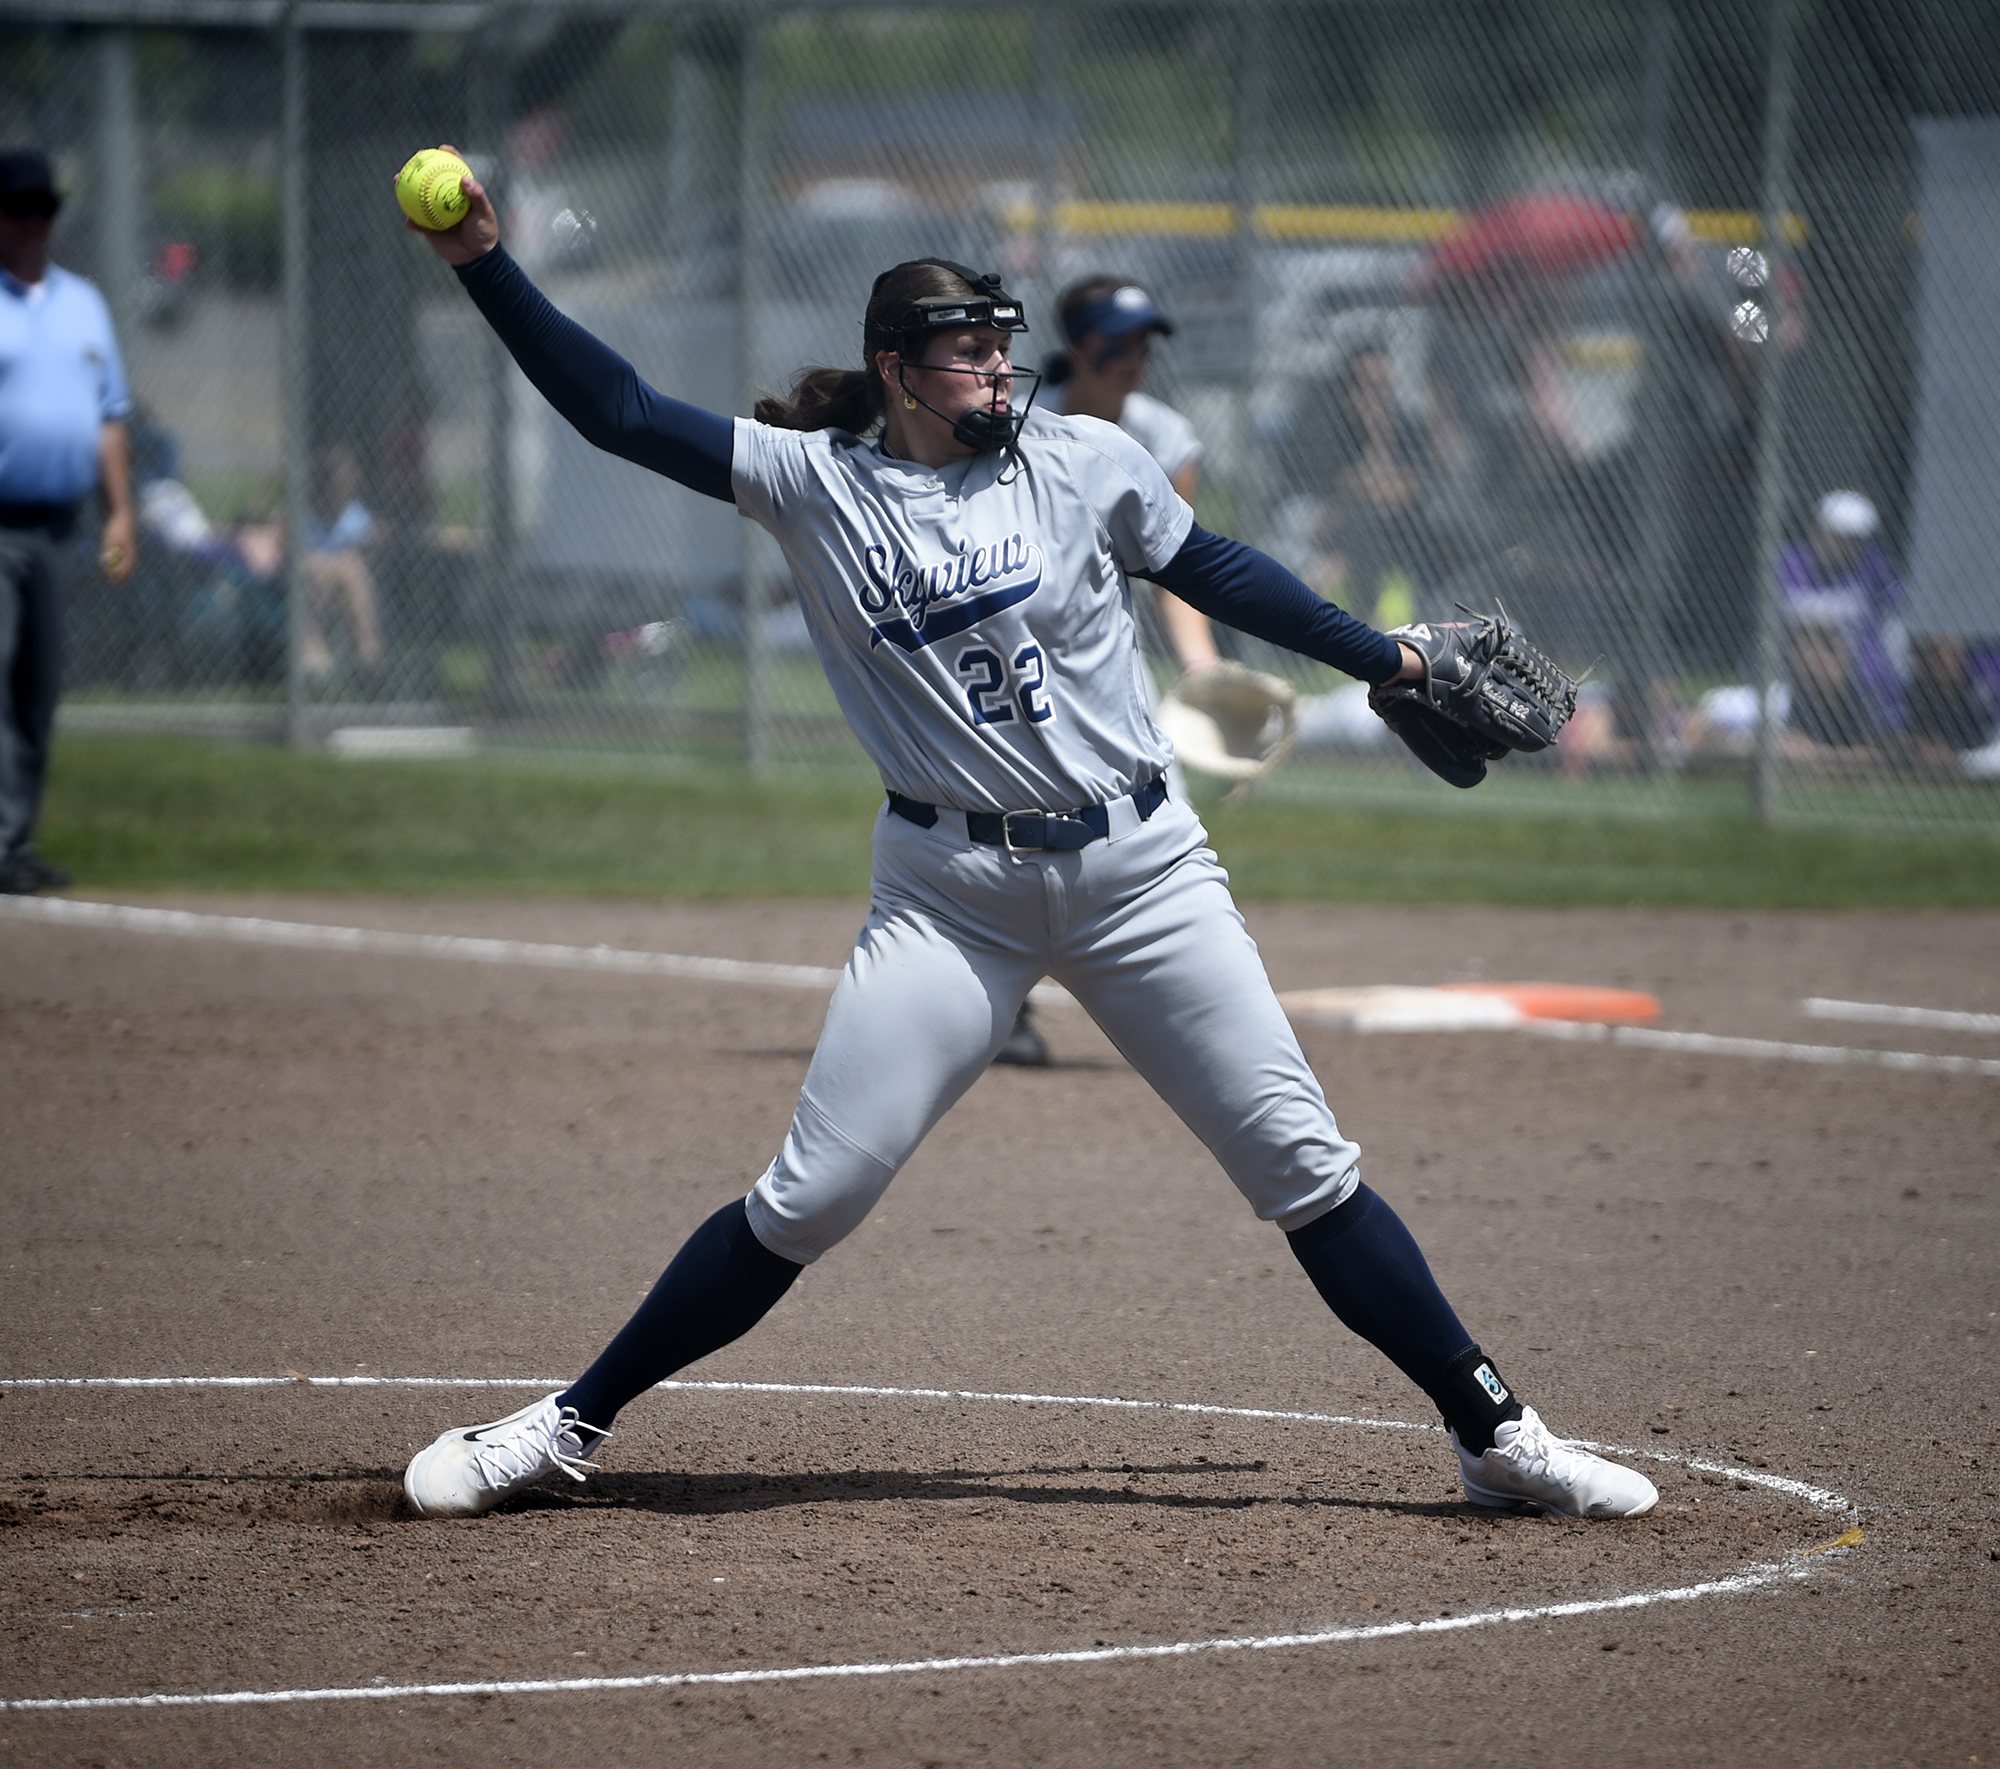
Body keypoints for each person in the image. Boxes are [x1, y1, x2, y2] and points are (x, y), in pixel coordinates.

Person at [398, 152, 1659, 1525]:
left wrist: (1386, 660)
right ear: (895, 369)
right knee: (812, 1196)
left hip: (1142, 875)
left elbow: (1215, 565)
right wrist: (482, 263)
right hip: (952, 895)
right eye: (967, 352)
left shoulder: (1082, 458)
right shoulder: (817, 485)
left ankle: (1496, 1435)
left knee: (1304, 1166)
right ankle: (561, 1426)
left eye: (1002, 346)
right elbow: (618, 408)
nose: (999, 369)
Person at [994, 276, 1219, 1066]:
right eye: (1117, 344)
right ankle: (1000, 1002)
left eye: (1144, 343)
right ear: (1080, 348)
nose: (1135, 360)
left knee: (1161, 805)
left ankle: (1190, 1004)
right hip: (1014, 649)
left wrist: (1201, 665)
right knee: (1014, 808)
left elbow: (1181, 570)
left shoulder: (1166, 437)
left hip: (1105, 655)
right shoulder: (1017, 415)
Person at [0, 148, 136, 895]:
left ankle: (12, 842)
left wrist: (120, 515)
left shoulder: (85, 304)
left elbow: (110, 420)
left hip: (59, 524)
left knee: (37, 687)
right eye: (16, 210)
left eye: (42, 210)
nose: (30, 225)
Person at [1777, 490, 1908, 749]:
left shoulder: (1874, 567)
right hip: (1791, 673)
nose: (1841, 544)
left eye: (1851, 539)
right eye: (1835, 535)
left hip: (1856, 679)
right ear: (1818, 529)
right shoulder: (1788, 563)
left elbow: (1899, 613)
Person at [299, 443, 384, 683]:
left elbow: (371, 539)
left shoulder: (353, 514)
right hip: (310, 582)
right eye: (337, 488)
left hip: (344, 583)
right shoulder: (304, 515)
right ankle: (311, 643)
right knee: (319, 567)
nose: (343, 495)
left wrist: (377, 535)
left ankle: (367, 650)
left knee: (352, 567)